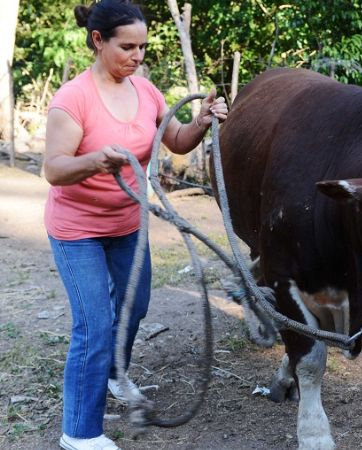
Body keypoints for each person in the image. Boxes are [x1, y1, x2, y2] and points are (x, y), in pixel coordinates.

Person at [43, 1, 227, 449]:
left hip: (128, 224)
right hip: (77, 229)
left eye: (143, 46)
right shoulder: (73, 99)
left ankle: (112, 373)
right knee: (94, 323)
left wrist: (202, 121)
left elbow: (177, 140)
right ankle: (80, 434)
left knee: (135, 305)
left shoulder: (147, 92)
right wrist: (94, 160)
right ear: (98, 40)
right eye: (127, 46)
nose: (137, 56)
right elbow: (54, 169)